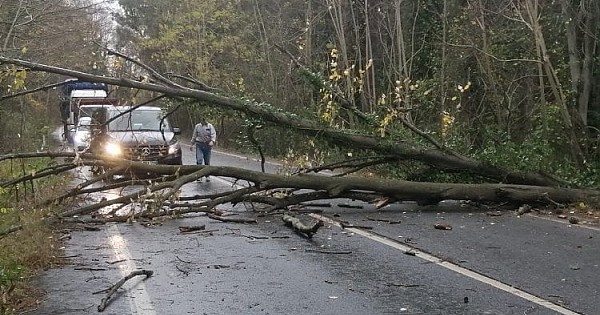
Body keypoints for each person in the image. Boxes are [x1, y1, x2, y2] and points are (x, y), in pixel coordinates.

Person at [190, 117, 217, 181]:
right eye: (202, 119)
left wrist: (212, 141)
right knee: (199, 160)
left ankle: (207, 175)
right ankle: (199, 175)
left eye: (204, 119)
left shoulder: (210, 126)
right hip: (199, 145)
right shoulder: (197, 126)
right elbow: (194, 135)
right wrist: (191, 144)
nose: (203, 120)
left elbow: (213, 135)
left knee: (207, 161)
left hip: (207, 146)